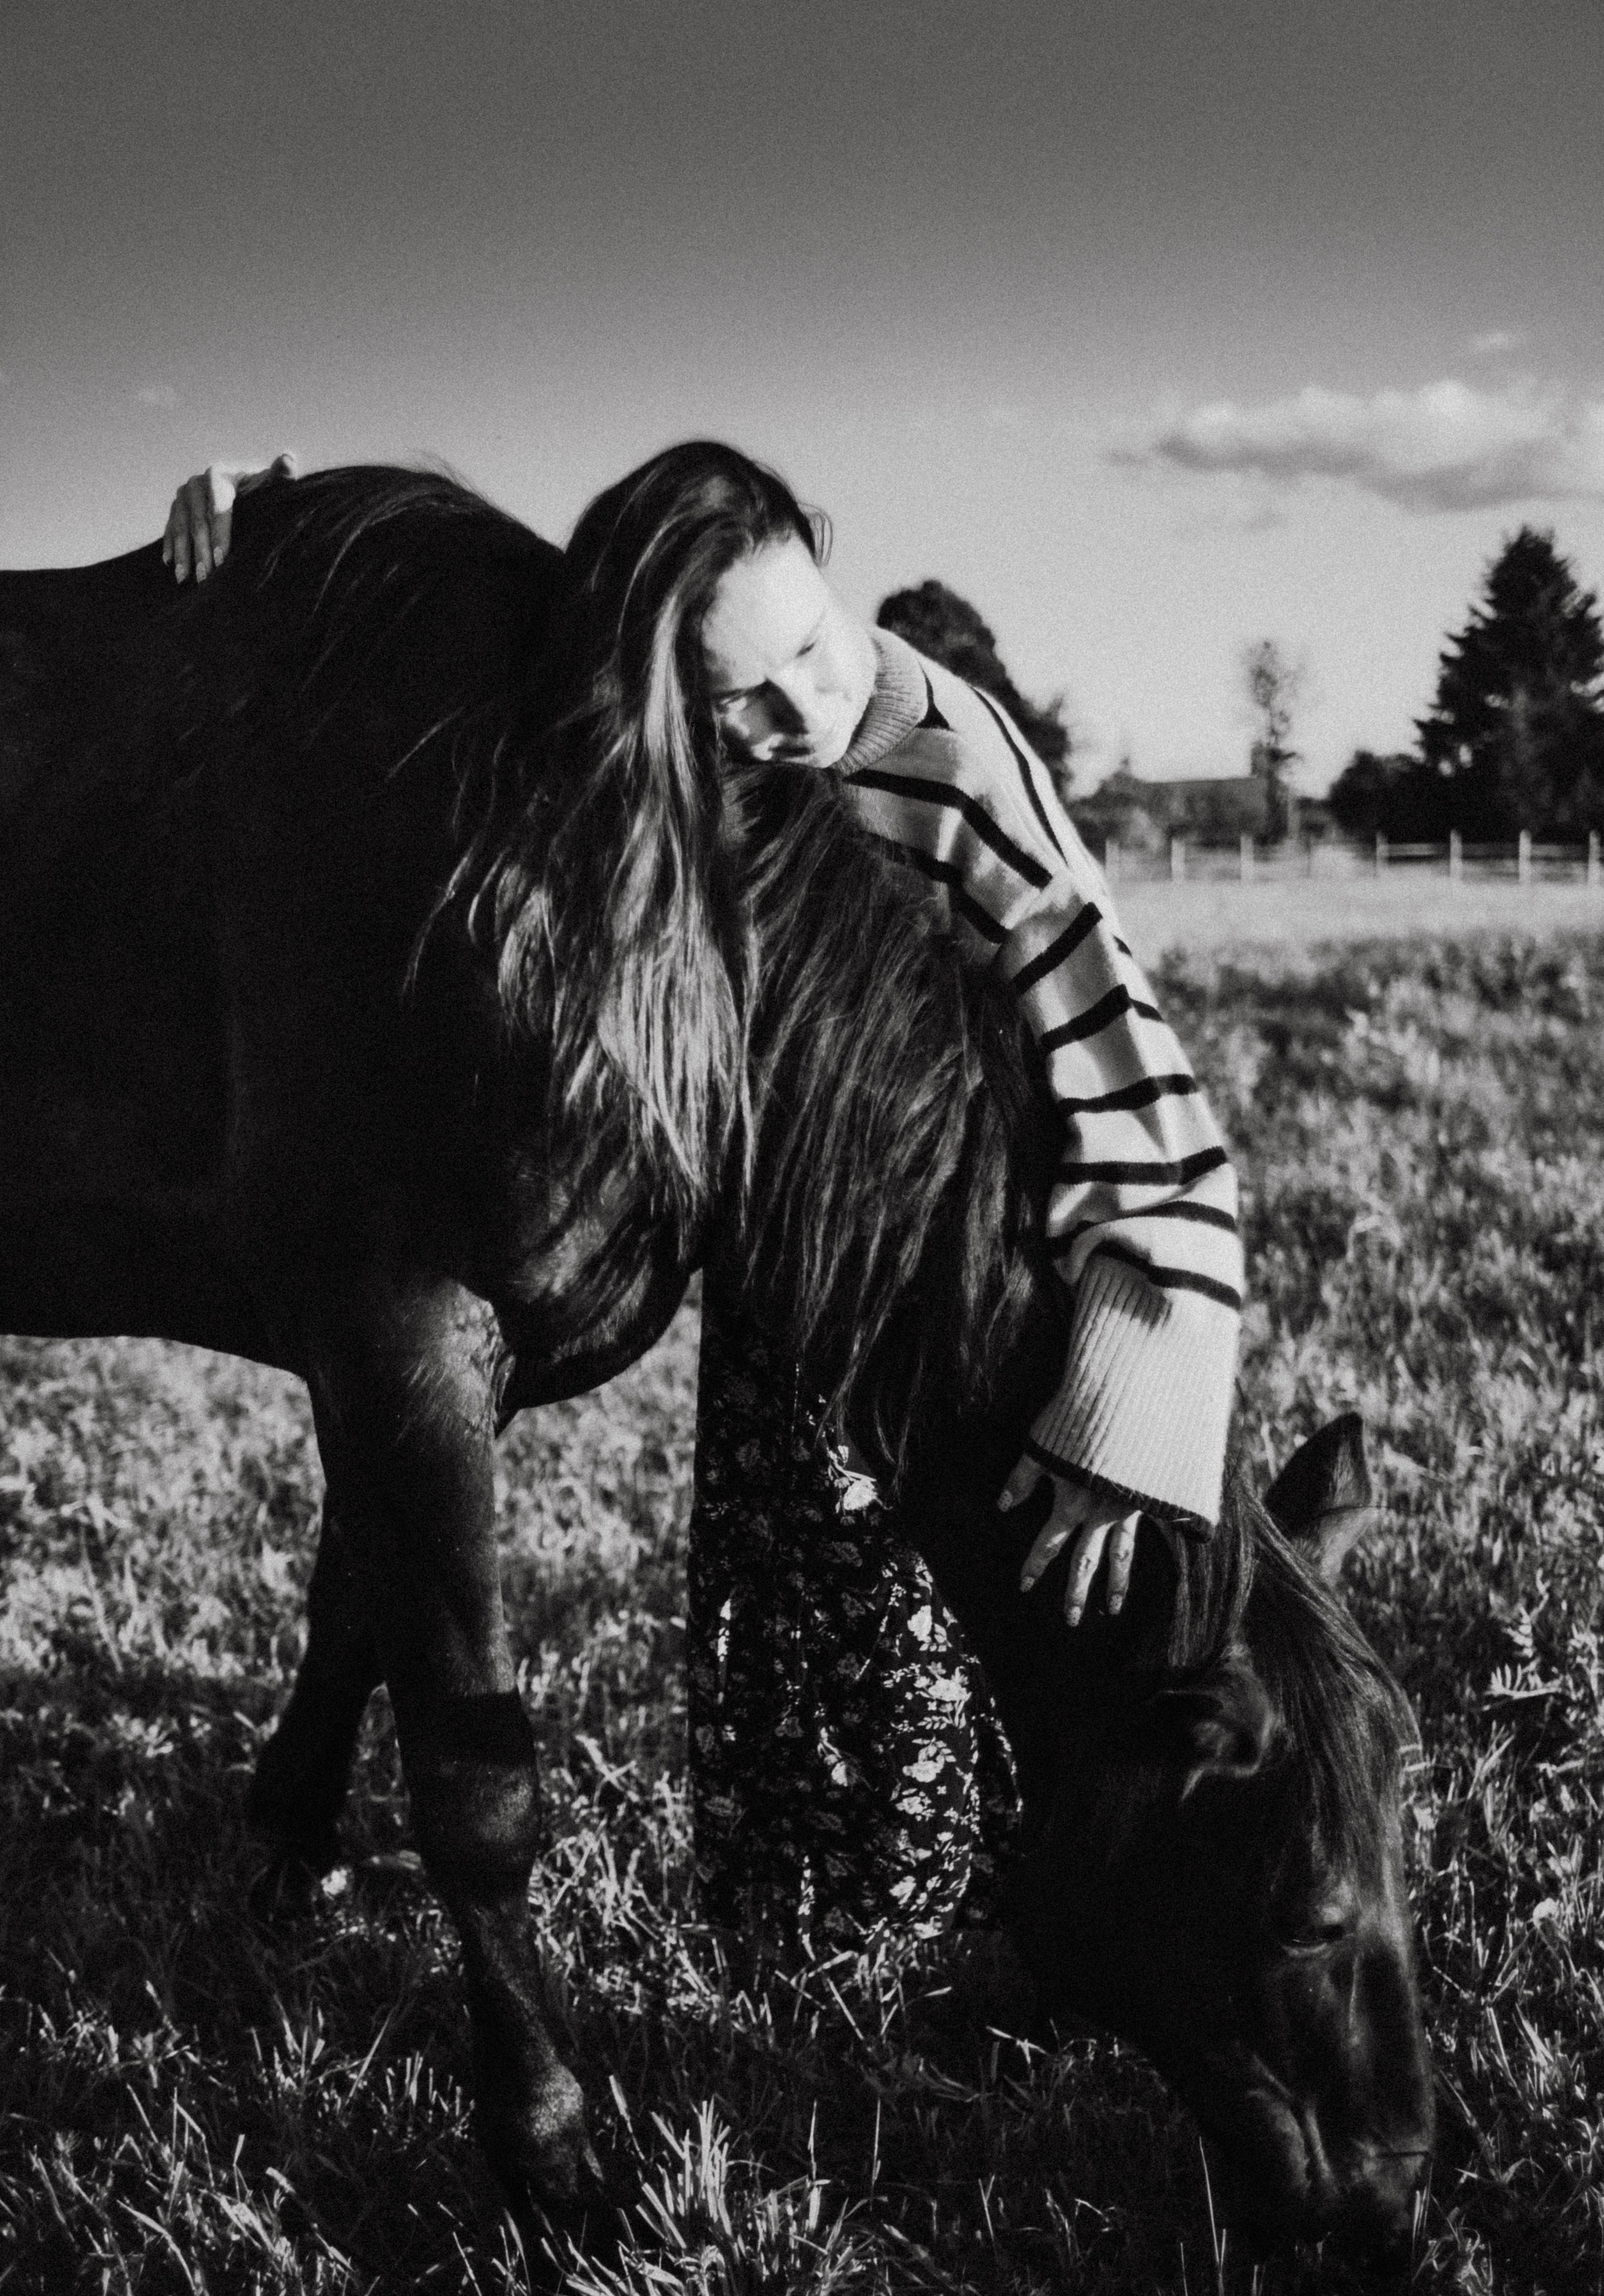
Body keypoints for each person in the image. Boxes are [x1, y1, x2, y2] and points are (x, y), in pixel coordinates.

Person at [163, 444, 1243, 1943]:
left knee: (911, 1595)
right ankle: (794, 1917)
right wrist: (263, 490)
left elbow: (1134, 1076)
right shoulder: (664, 741)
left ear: (827, 542)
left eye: (808, 645)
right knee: (778, 1590)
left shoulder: (951, 763)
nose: (794, 715)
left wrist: (1136, 1393)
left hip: (941, 1260)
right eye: (735, 694)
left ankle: (950, 1933)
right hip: (776, 1258)